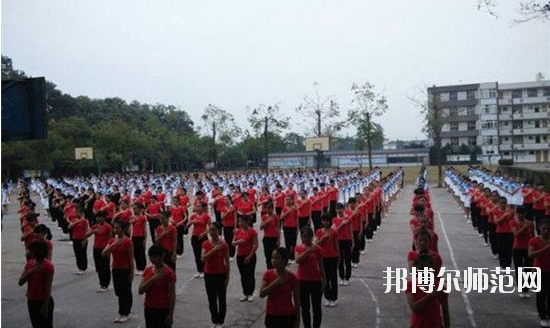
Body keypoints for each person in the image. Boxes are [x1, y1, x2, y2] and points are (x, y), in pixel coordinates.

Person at [405, 253, 450, 328]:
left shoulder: (440, 287)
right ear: (417, 269)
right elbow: (414, 307)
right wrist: (431, 295)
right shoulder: (410, 285)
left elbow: (445, 312)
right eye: (422, 269)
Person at [259, 247, 300, 328]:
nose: (273, 260)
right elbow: (262, 293)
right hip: (272, 314)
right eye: (272, 257)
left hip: (288, 315)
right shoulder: (268, 274)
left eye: (276, 258)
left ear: (284, 260)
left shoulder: (292, 277)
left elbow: (296, 299)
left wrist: (298, 319)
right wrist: (276, 283)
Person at [102, 221, 134, 323]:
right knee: (118, 292)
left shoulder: (127, 242)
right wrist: (114, 244)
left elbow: (131, 258)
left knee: (125, 292)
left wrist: (132, 272)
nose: (116, 230)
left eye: (118, 228)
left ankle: (125, 312)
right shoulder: (112, 241)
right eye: (114, 228)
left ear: (123, 229)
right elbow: (103, 253)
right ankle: (122, 312)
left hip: (125, 269)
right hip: (115, 269)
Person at [18, 240, 55, 328]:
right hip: (31, 299)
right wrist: (32, 271)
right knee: (36, 324)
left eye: (30, 250)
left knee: (46, 325)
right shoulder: (30, 263)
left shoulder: (48, 266)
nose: (28, 252)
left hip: (43, 300)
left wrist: (45, 306)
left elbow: (48, 287)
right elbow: (20, 282)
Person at [138, 245, 176, 328]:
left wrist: (170, 315)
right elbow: (140, 290)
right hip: (149, 308)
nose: (152, 259)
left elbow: (172, 295)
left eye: (155, 257)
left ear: (161, 256)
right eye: (150, 257)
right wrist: (153, 279)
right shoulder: (148, 270)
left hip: (163, 309)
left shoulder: (168, 273)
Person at [201, 222, 230, 328]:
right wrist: (214, 250)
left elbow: (227, 262)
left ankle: (221, 321)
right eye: (210, 229)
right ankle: (214, 319)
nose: (211, 232)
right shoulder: (205, 244)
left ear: (218, 230)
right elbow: (203, 258)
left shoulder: (224, 245)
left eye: (213, 229)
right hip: (208, 274)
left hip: (220, 274)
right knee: (211, 299)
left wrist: (228, 277)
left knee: (221, 298)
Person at [295, 226, 324, 328]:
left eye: (308, 237)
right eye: (304, 237)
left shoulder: (318, 249)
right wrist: (308, 251)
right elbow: (297, 260)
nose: (306, 239)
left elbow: (321, 266)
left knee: (316, 307)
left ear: (312, 237)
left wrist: (323, 280)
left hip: (315, 280)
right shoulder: (298, 248)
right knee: (305, 307)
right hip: (302, 281)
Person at [528, 218, 550, 327]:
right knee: (541, 294)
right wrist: (546, 248)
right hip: (539, 271)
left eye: (548, 229)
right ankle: (542, 315)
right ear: (540, 229)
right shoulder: (534, 240)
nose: (546, 231)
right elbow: (531, 254)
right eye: (544, 229)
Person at [315, 212, 339, 307]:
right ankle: (327, 297)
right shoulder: (319, 232)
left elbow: (336, 246)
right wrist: (323, 238)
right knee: (324, 278)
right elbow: (317, 245)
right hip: (322, 258)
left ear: (330, 221)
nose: (325, 222)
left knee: (333, 278)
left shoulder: (334, 232)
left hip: (332, 257)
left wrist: (338, 257)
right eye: (324, 220)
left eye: (327, 220)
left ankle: (334, 297)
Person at [233, 216, 258, 302]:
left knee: (250, 274)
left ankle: (250, 293)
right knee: (243, 275)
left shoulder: (252, 232)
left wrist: (250, 256)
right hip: (240, 255)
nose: (240, 223)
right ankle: (245, 292)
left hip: (250, 255)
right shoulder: (238, 231)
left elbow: (256, 245)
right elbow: (233, 243)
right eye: (239, 221)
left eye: (242, 221)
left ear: (247, 222)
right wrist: (238, 242)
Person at [510, 210, 534, 298]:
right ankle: (520, 288)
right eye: (519, 213)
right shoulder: (513, 222)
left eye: (522, 213)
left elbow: (533, 235)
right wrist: (524, 227)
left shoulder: (530, 223)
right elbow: (516, 234)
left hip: (528, 248)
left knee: (528, 269)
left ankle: (526, 289)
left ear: (525, 214)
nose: (521, 215)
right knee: (519, 269)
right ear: (516, 214)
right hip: (517, 248)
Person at [87, 212, 113, 292]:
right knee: (98, 267)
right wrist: (93, 231)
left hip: (104, 248)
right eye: (97, 217)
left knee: (105, 266)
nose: (98, 219)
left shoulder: (108, 227)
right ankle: (102, 283)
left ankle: (105, 284)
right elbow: (87, 234)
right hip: (96, 248)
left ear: (103, 218)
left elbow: (110, 239)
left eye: (100, 217)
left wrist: (108, 251)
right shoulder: (95, 226)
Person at [187, 203, 211, 278]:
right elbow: (187, 226)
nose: (197, 208)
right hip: (195, 237)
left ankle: (204, 269)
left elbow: (210, 227)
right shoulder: (193, 216)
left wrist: (204, 234)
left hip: (203, 237)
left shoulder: (206, 216)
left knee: (203, 254)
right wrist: (191, 222)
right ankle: (199, 270)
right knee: (196, 254)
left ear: (202, 208)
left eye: (198, 206)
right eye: (196, 207)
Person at [333, 203, 354, 286]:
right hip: (339, 241)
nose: (338, 210)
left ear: (343, 209)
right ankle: (342, 277)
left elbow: (351, 230)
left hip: (347, 240)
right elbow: (335, 231)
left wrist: (353, 241)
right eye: (337, 209)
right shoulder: (334, 220)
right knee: (340, 259)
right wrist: (342, 224)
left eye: (340, 209)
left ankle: (347, 277)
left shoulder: (348, 218)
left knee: (347, 259)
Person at [68, 206, 89, 275]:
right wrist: (76, 222)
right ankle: (79, 267)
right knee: (77, 253)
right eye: (75, 212)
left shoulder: (85, 221)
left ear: (81, 213)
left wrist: (85, 239)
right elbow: (69, 227)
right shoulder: (74, 220)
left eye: (77, 212)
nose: (76, 214)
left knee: (82, 253)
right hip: (75, 238)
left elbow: (87, 230)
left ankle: (83, 268)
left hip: (82, 239)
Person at [260, 202, 281, 269]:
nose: (269, 209)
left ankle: (275, 269)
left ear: (273, 208)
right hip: (266, 238)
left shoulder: (276, 217)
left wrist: (278, 240)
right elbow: (261, 227)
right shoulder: (264, 217)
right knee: (267, 255)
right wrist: (267, 221)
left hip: (274, 238)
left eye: (270, 208)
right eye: (267, 208)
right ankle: (269, 269)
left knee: (274, 256)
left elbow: (278, 229)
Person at [130, 203, 147, 275]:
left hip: (140, 237)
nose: (134, 210)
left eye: (135, 209)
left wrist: (145, 239)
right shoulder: (132, 217)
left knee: (141, 253)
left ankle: (142, 268)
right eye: (133, 209)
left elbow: (144, 229)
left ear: (140, 209)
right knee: (135, 253)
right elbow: (130, 227)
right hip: (134, 236)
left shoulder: (143, 218)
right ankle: (138, 267)